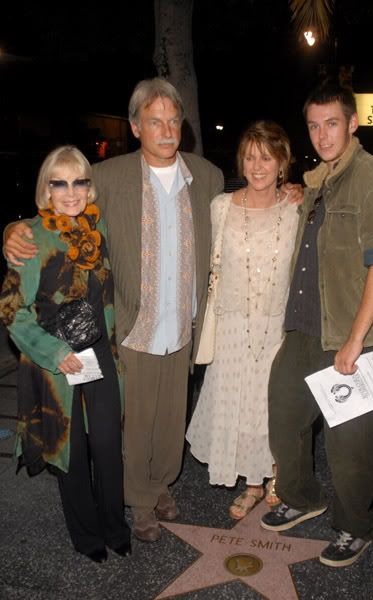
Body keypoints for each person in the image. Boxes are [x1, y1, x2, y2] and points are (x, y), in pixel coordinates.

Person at [4, 78, 224, 543]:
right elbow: (57, 208)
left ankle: (161, 481)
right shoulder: (109, 175)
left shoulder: (206, 177)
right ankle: (139, 501)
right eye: (154, 121)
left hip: (182, 321)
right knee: (136, 419)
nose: (166, 130)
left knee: (170, 418)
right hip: (131, 322)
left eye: (173, 120)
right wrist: (11, 230)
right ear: (135, 126)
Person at [260, 81, 373, 568]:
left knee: (351, 444)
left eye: (332, 124)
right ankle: (302, 497)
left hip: (350, 333)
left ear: (352, 123)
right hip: (303, 325)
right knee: (283, 416)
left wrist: (356, 341)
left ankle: (356, 526)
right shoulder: (316, 180)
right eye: (314, 126)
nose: (322, 134)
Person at [0, 146, 131, 563]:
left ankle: (115, 525)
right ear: (47, 188)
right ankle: (86, 533)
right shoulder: (32, 238)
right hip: (59, 361)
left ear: (89, 188)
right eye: (60, 183)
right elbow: (11, 311)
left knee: (108, 445)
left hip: (99, 352)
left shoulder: (98, 228)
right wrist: (53, 353)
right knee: (71, 450)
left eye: (78, 182)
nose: (70, 192)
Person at [186, 121, 299, 519]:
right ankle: (253, 485)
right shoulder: (221, 208)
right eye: (250, 156)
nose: (257, 165)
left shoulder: (298, 208)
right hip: (232, 325)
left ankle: (277, 475)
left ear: (283, 163)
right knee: (240, 403)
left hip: (278, 324)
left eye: (266, 157)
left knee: (273, 404)